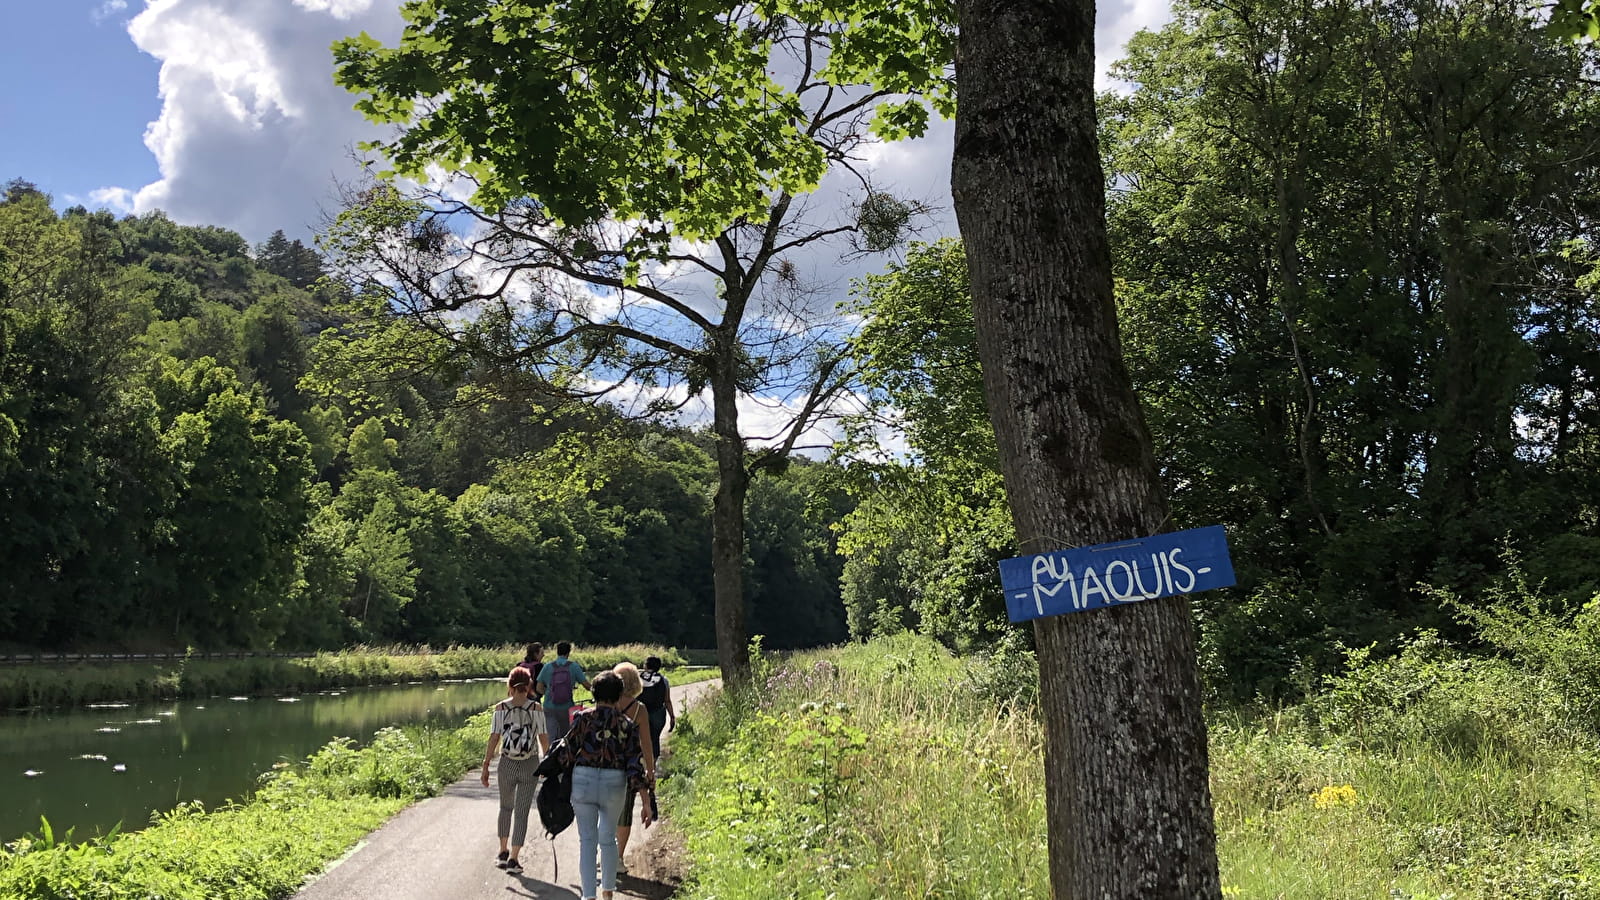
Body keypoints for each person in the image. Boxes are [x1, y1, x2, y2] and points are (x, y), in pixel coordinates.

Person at [548, 671, 652, 900]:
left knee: (587, 841)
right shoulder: (627, 725)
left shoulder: (582, 719)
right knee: (607, 838)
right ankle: (608, 892)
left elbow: (565, 753)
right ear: (618, 695)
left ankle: (588, 896)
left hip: (583, 780)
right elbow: (635, 763)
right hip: (614, 784)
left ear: (594, 693)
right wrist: (645, 800)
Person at [481, 667, 546, 874]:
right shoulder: (536, 709)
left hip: (506, 763)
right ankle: (514, 859)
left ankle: (502, 851)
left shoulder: (500, 708)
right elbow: (543, 737)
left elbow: (494, 737)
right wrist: (549, 764)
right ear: (529, 686)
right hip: (530, 764)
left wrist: (485, 765)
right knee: (522, 812)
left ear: (509, 686)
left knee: (505, 808)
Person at [610, 662, 657, 873]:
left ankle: (605, 851)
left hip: (606, 763)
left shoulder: (608, 703)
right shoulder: (639, 709)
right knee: (625, 813)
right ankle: (617, 858)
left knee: (605, 811)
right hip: (629, 767)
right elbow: (646, 743)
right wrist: (650, 769)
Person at [537, 641, 590, 746]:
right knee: (566, 737)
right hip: (567, 707)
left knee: (551, 736)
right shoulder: (574, 667)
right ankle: (565, 757)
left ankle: (550, 756)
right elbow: (587, 685)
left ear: (557, 652)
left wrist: (548, 694)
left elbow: (538, 688)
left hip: (549, 706)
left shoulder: (548, 666)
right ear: (568, 653)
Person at [512, 642, 548, 753]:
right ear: (536, 654)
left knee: (519, 724)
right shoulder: (539, 666)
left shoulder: (519, 664)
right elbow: (541, 684)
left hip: (519, 698)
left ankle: (518, 746)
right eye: (542, 652)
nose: (543, 655)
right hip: (533, 698)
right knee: (534, 726)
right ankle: (532, 749)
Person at [638, 656, 675, 758]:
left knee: (640, 739)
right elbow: (667, 700)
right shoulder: (663, 680)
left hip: (640, 713)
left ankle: (641, 763)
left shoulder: (638, 679)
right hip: (658, 713)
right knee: (654, 739)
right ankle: (652, 767)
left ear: (645, 666)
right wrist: (672, 716)